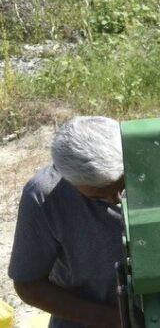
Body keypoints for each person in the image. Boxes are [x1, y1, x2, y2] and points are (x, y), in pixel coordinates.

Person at [10, 116, 125, 328]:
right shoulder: (44, 196)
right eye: (99, 196)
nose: (115, 200)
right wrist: (119, 321)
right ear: (70, 180)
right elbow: (28, 284)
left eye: (121, 186)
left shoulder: (149, 165)